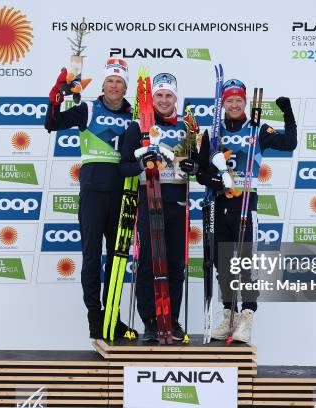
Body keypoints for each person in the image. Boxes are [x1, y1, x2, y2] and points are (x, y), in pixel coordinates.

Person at [194, 79, 297, 343]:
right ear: (223, 104)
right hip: (220, 203)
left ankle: (247, 316)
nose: (235, 104)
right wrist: (215, 180)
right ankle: (229, 315)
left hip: (245, 203)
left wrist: (287, 113)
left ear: (245, 102)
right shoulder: (213, 134)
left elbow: (290, 144)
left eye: (239, 100)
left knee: (244, 262)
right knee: (222, 263)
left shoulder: (257, 129)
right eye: (229, 100)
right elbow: (201, 173)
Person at [44, 58, 136, 339]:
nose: (114, 85)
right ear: (104, 84)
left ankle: (113, 317)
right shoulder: (87, 109)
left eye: (119, 81)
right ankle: (95, 317)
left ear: (125, 87)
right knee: (92, 256)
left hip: (123, 192)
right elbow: (52, 123)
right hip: (94, 192)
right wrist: (56, 98)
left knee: (118, 259)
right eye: (110, 80)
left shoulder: (134, 117)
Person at [120, 73, 193, 342]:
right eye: (159, 95)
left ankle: (171, 320)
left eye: (168, 95)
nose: (163, 100)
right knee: (150, 264)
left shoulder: (187, 128)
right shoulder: (138, 127)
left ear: (176, 98)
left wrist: (193, 167)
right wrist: (141, 164)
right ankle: (151, 320)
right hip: (150, 201)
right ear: (152, 99)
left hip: (178, 203)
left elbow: (195, 166)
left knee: (175, 265)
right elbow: (124, 167)